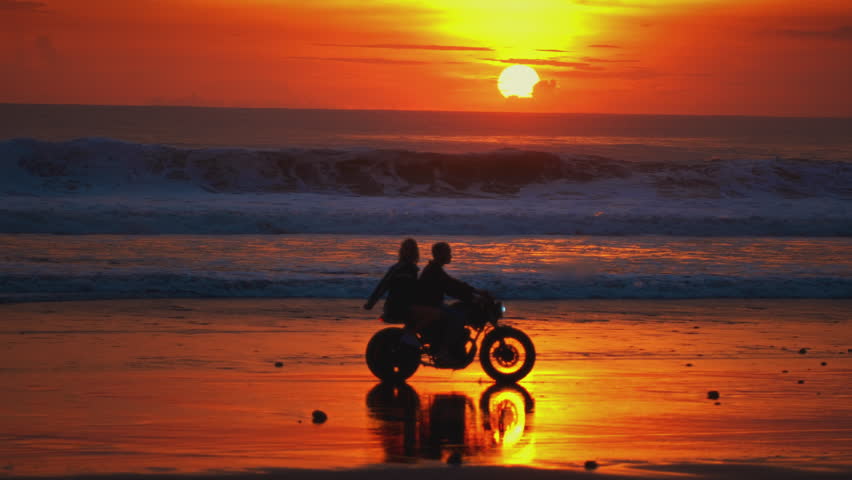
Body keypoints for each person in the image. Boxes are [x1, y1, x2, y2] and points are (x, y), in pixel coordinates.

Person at [416, 242, 482, 363]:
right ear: (440, 254)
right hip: (431, 306)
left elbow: (452, 284)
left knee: (457, 310)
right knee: (457, 317)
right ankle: (443, 351)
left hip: (433, 304)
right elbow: (451, 288)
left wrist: (474, 291)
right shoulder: (434, 270)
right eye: (448, 252)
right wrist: (471, 296)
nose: (450, 255)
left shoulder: (435, 268)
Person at [364, 238, 421, 344]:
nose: (410, 252)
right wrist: (371, 303)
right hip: (397, 307)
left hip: (404, 305)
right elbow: (383, 285)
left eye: (412, 250)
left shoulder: (412, 269)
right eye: (407, 249)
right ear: (403, 251)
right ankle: (409, 342)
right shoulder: (399, 268)